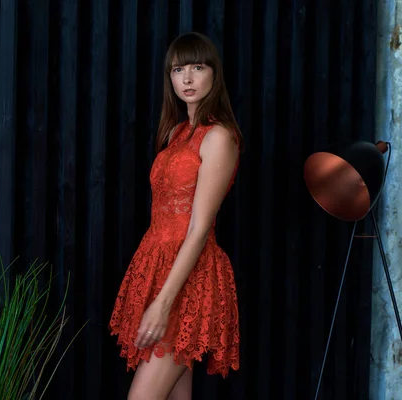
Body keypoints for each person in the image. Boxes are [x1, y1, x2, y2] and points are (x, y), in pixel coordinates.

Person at [109, 32, 243, 400]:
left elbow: (199, 229)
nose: (187, 78)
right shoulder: (177, 133)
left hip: (190, 277)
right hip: (158, 267)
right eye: (178, 69)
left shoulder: (218, 137)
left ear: (214, 74)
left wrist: (162, 303)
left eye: (197, 67)